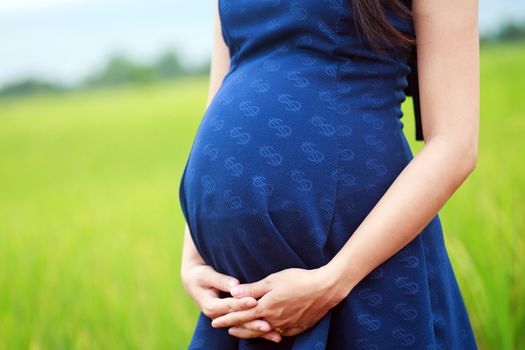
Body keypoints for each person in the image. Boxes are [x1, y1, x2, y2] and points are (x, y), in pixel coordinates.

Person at [179, 0, 479, 348]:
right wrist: (194, 260)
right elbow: (222, 92)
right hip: (240, 296)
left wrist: (332, 282)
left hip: (359, 264)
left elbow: (455, 145)